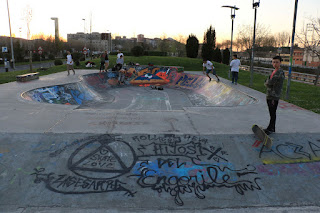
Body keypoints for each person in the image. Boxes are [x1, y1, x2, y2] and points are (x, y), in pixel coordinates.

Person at [264, 55, 285, 135]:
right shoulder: (274, 71)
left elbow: (270, 82)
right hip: (269, 94)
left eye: (277, 62)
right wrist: (267, 82)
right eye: (273, 62)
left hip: (274, 96)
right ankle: (271, 127)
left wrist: (267, 82)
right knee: (271, 112)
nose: (275, 64)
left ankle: (271, 128)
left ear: (280, 63)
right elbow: (267, 81)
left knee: (272, 113)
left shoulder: (280, 72)